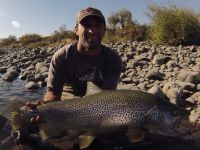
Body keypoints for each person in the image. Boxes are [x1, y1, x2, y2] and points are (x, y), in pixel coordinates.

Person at [42, 6, 122, 103]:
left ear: (104, 30)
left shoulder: (112, 59)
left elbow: (105, 99)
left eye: (98, 25)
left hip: (97, 104)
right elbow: (53, 92)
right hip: (66, 104)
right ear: (76, 30)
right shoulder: (62, 56)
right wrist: (45, 107)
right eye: (86, 25)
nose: (92, 31)